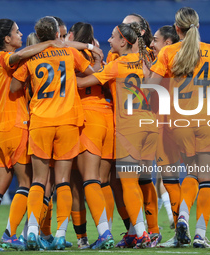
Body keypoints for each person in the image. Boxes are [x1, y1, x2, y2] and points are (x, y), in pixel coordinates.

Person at [0, 18, 64, 252]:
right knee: (28, 183)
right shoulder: (4, 58)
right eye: (17, 32)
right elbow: (19, 56)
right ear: (7, 39)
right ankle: (9, 234)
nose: (21, 35)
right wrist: (50, 43)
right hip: (14, 125)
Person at [145, 7, 210, 249]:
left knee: (191, 174)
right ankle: (200, 234)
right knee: (207, 180)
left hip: (179, 123)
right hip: (208, 120)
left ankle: (182, 216)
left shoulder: (169, 52)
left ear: (177, 28)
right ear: (197, 26)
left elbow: (151, 86)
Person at [10, 16, 96, 251]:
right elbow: (92, 72)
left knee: (38, 180)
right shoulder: (69, 54)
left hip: (40, 122)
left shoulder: (30, 56)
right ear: (58, 33)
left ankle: (33, 230)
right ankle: (60, 234)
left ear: (37, 36)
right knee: (63, 181)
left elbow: (14, 87)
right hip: (67, 121)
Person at [77, 22, 158, 249]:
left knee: (129, 183)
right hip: (150, 125)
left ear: (124, 42)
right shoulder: (145, 61)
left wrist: (57, 78)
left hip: (130, 127)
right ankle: (135, 232)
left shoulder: (116, 65)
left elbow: (84, 82)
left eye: (113, 37)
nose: (109, 40)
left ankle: (142, 235)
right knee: (140, 182)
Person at [66, 22, 115, 250]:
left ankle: (96, 235)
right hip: (108, 117)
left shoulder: (69, 53)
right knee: (103, 182)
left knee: (84, 181)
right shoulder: (99, 57)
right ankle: (113, 230)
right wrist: (97, 57)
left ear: (73, 35)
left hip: (85, 118)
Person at [150, 25, 180, 233]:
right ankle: (172, 218)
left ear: (167, 43)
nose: (152, 44)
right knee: (166, 173)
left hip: (161, 120)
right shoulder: (184, 57)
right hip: (179, 119)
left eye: (155, 40)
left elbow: (149, 86)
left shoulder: (164, 60)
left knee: (164, 172)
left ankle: (171, 218)